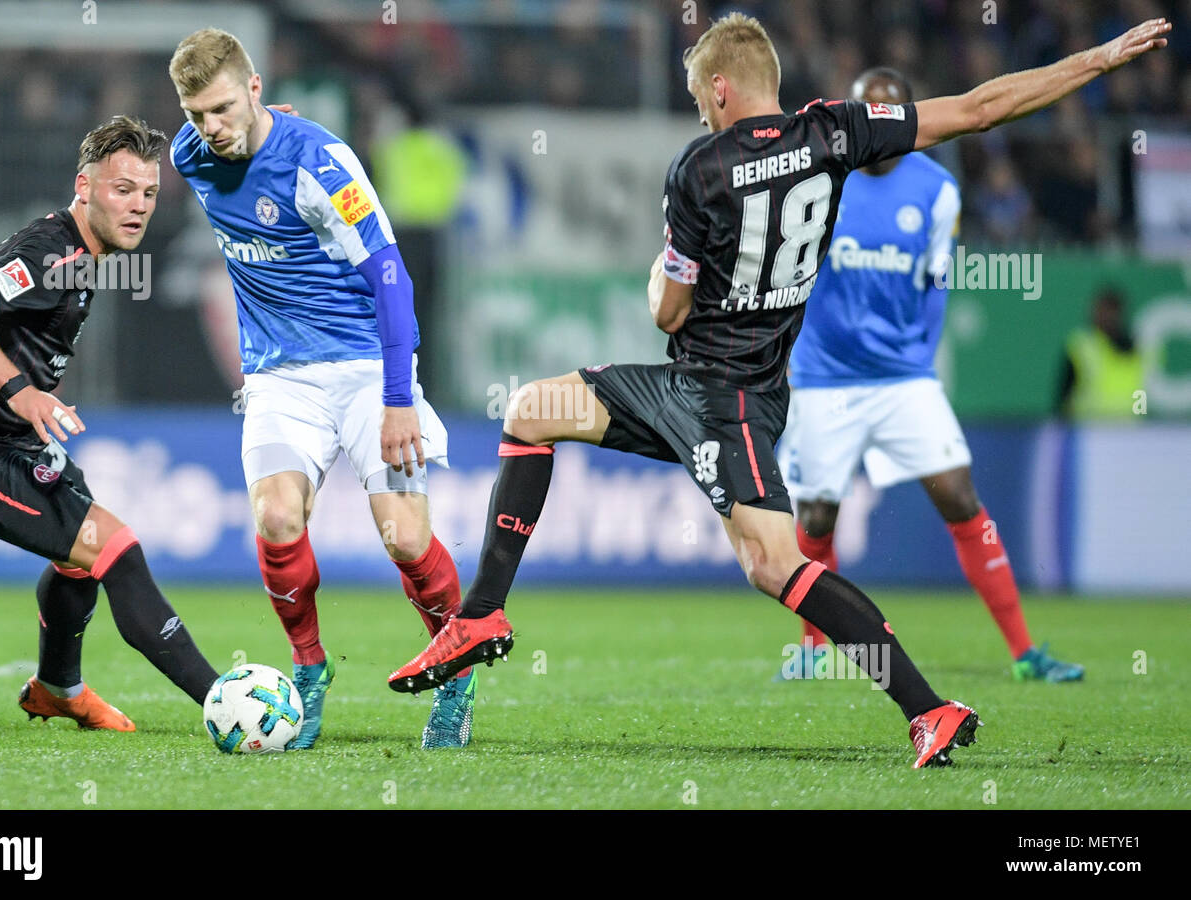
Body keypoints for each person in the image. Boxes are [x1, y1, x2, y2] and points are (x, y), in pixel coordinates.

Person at [389, 13, 1171, 768]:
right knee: (533, 409)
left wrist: (662, 279)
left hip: (719, 398)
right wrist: (1095, 62)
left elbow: (667, 308)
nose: (700, 108)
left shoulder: (699, 167)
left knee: (774, 565)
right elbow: (978, 109)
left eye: (700, 95)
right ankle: (482, 614)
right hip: (713, 388)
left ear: (723, 88)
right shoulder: (833, 133)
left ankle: (928, 707)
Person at [167, 29, 472, 750]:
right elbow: (203, 145)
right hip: (279, 375)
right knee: (275, 520)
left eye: (221, 108)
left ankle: (457, 677)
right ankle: (308, 671)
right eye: (196, 114)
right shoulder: (191, 157)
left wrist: (400, 397)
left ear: (254, 89)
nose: (211, 128)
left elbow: (391, 277)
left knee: (404, 537)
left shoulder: (324, 164)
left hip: (369, 367)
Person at [774, 67, 1083, 684]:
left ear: (906, 118)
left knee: (964, 502)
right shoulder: (819, 182)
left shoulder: (938, 191)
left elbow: (937, 282)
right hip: (825, 380)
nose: (877, 126)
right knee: (814, 521)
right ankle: (811, 650)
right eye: (866, 114)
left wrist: (919, 351)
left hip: (903, 380)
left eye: (889, 114)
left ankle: (1024, 653)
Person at [0, 116, 221, 731]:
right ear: (84, 187)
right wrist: (20, 391)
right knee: (115, 547)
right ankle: (226, 705)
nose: (138, 206)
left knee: (78, 560)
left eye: (149, 194)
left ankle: (58, 687)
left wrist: (254, 132)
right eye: (122, 190)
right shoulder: (53, 251)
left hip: (7, 440)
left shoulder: (86, 253)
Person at [1057, 286, 1145, 420]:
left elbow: (1141, 392)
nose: (1105, 316)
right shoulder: (1081, 346)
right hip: (1088, 430)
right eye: (1101, 310)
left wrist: (1142, 421)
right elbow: (1064, 395)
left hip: (1129, 431)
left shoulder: (1138, 350)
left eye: (1110, 311)